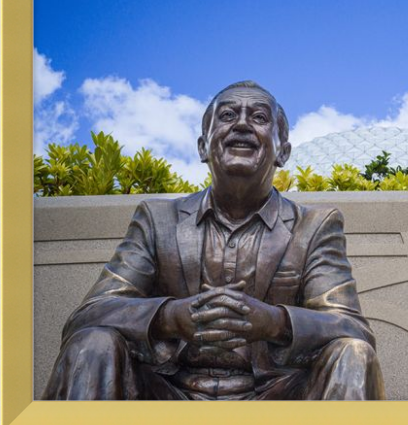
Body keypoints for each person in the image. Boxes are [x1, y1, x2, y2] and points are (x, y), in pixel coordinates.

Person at [43, 81, 385, 400]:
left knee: (353, 352)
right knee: (92, 341)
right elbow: (89, 315)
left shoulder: (314, 226)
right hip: (165, 392)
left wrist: (273, 322)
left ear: (283, 152)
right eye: (227, 115)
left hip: (275, 395)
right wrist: (171, 316)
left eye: (259, 117)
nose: (241, 124)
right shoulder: (157, 219)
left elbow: (350, 326)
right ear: (203, 146)